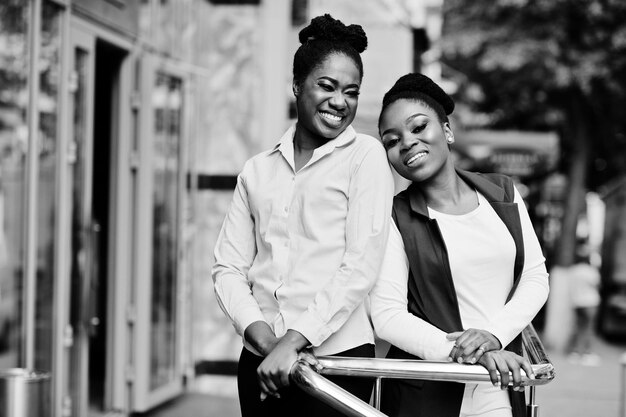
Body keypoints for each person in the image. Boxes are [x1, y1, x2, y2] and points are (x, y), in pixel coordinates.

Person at [211, 14, 394, 417]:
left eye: (351, 92)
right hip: (260, 363)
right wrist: (266, 343)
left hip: (335, 364)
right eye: (326, 86)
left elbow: (360, 265)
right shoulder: (257, 169)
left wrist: (293, 341)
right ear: (297, 84)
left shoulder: (365, 158)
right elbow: (227, 267)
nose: (340, 102)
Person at [369, 73, 550, 417]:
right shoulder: (394, 216)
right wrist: (473, 353)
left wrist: (494, 336)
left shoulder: (503, 193)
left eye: (418, 127)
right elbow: (387, 315)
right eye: (391, 141)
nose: (406, 142)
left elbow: (535, 277)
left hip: (498, 386)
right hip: (424, 392)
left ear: (447, 130)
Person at [567, 240, 601, 366]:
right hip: (590, 302)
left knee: (579, 327)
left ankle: (576, 353)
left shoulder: (573, 270)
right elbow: (597, 285)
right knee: (588, 328)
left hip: (577, 303)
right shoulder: (590, 271)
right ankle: (587, 354)